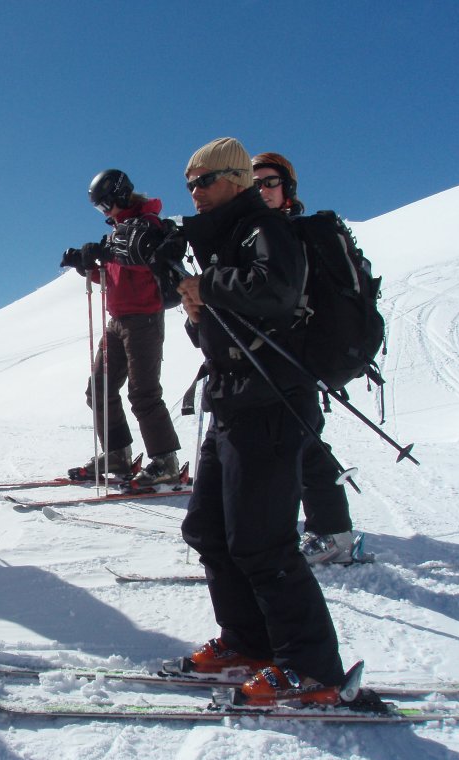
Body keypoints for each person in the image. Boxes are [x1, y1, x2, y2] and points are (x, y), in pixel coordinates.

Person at [171, 137, 346, 705]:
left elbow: (275, 290)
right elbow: (225, 333)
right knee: (208, 530)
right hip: (231, 401)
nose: (194, 193)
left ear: (234, 179)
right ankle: (248, 642)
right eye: (189, 185)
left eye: (203, 181)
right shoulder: (226, 239)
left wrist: (207, 287)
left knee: (263, 542)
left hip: (270, 404)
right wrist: (197, 312)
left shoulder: (264, 229)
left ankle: (312, 669)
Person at [251, 152, 358, 565]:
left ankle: (333, 533)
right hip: (272, 355)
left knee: (303, 442)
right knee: (293, 441)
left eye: (270, 182)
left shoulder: (294, 234)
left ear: (288, 189)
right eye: (254, 184)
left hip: (295, 355)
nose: (262, 190)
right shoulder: (262, 233)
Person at [60, 170, 181, 489]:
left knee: (143, 393)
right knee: (98, 389)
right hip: (117, 320)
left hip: (144, 319)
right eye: (100, 208)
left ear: (121, 195)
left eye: (107, 204)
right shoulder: (117, 232)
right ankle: (117, 454)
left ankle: (166, 461)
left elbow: (142, 260)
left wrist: (105, 253)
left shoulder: (148, 225)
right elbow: (115, 275)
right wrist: (85, 265)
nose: (106, 211)